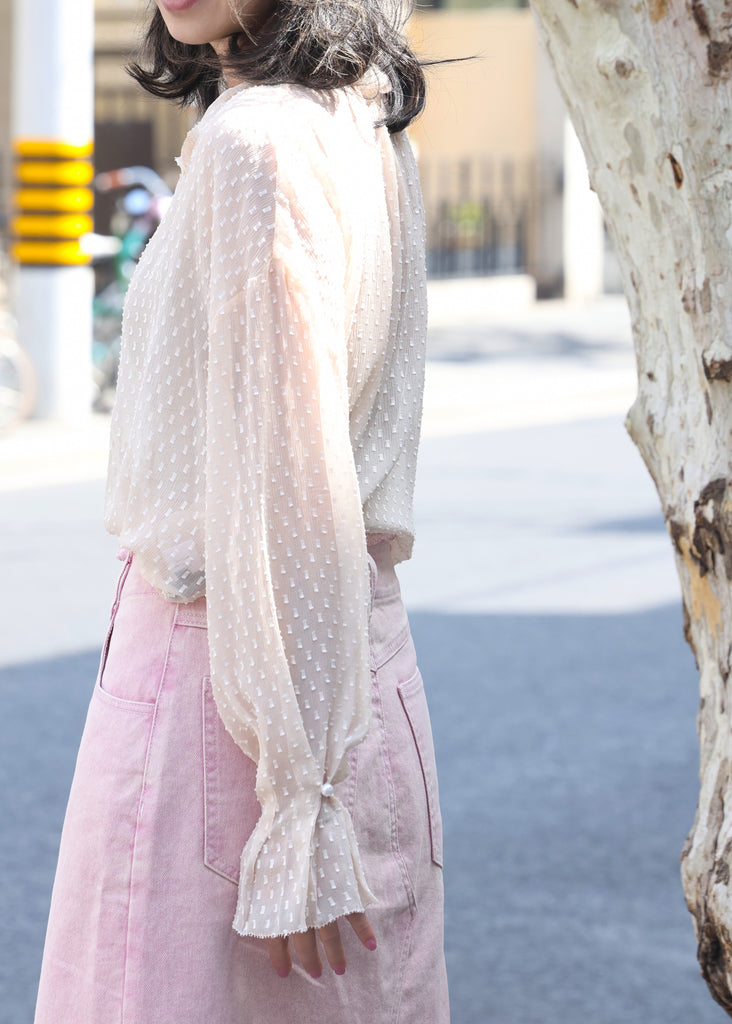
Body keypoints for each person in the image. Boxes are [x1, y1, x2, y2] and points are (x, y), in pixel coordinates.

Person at [33, 0, 449, 1021]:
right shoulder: (362, 115)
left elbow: (289, 480)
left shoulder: (254, 141)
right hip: (355, 674)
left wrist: (298, 799)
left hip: (236, 693)